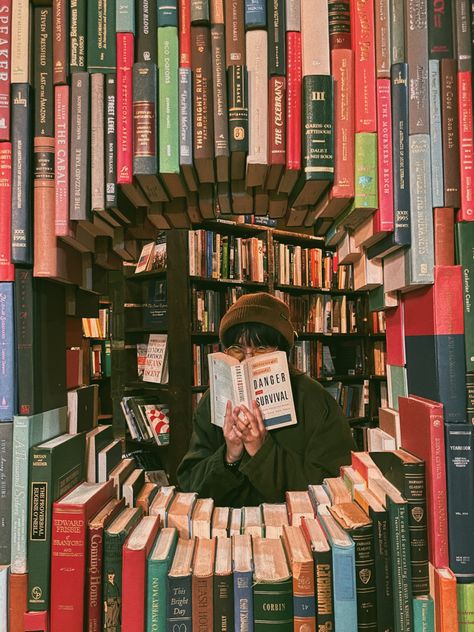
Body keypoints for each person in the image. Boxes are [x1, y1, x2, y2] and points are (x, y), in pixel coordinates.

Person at [177, 292, 356, 506]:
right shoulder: (213, 401)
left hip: (295, 529)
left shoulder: (315, 400)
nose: (248, 359)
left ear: (281, 351)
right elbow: (189, 486)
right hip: (225, 532)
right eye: (237, 349)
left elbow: (334, 489)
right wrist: (228, 457)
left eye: (261, 349)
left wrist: (262, 452)